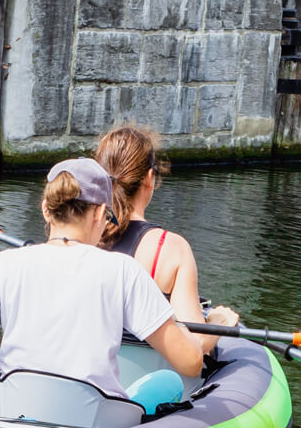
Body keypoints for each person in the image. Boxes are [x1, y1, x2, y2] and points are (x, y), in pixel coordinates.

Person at [0, 157, 203, 412]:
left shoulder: (4, 265)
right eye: (107, 219)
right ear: (99, 212)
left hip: (14, 418)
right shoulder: (123, 272)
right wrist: (213, 324)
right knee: (167, 381)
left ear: (45, 209)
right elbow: (190, 362)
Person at [95, 124, 239, 354]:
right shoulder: (170, 248)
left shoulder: (79, 235)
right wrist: (219, 323)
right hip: (150, 383)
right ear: (149, 178)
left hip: (84, 377)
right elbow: (197, 344)